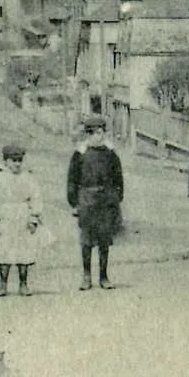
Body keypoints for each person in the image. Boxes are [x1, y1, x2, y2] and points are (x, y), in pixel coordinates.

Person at [66, 118, 123, 291]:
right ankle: (86, 276)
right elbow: (72, 179)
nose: (97, 136)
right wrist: (74, 202)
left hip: (106, 199)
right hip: (86, 199)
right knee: (87, 240)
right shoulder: (80, 154)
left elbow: (118, 178)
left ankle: (104, 276)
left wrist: (117, 199)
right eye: (93, 133)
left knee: (104, 239)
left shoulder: (110, 153)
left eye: (100, 133)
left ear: (104, 133)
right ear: (88, 134)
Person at [0, 144, 42, 298]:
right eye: (13, 160)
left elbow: (35, 197)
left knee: (24, 250)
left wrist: (33, 217)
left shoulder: (28, 177)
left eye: (19, 160)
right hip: (5, 217)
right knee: (4, 249)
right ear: (5, 161)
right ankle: (3, 283)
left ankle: (23, 283)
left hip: (23, 216)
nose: (17, 164)